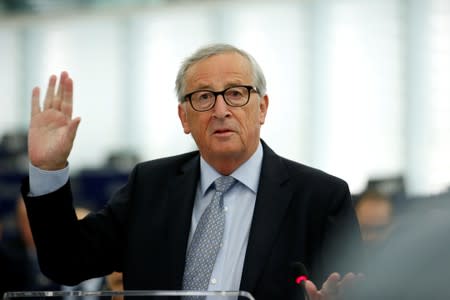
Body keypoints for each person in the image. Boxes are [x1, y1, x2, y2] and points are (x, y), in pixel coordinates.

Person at [21, 43, 362, 300]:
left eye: (236, 93)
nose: (220, 109)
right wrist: (48, 169)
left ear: (262, 108)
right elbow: (65, 262)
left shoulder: (320, 197)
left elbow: (356, 288)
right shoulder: (150, 186)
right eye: (203, 97)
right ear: (184, 117)